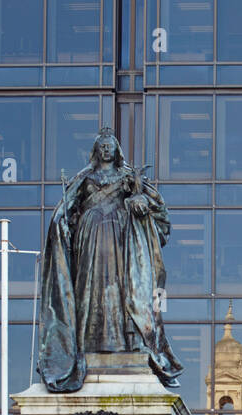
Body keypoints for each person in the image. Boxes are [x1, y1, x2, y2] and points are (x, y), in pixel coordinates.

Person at [37, 128, 183, 391]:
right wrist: (62, 223)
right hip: (90, 235)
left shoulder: (127, 176)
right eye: (102, 146)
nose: (106, 150)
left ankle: (123, 344)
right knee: (89, 291)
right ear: (96, 151)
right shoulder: (85, 177)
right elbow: (66, 208)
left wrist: (139, 202)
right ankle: (87, 344)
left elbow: (156, 207)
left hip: (119, 238)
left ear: (116, 150)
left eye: (110, 146)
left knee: (119, 289)